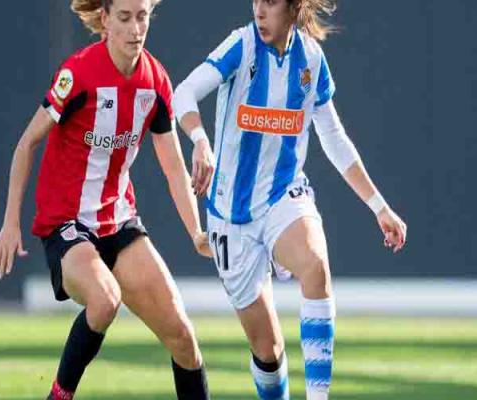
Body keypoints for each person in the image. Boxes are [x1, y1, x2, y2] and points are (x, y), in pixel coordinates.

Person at [172, 0, 408, 398]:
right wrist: (199, 141)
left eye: (272, 2)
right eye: (256, 1)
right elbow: (184, 93)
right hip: (231, 215)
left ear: (294, 7)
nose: (260, 10)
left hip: (283, 195)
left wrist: (379, 206)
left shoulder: (311, 59)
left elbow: (333, 137)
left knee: (316, 265)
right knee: (268, 349)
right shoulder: (241, 46)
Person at [0, 0, 215, 398]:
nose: (134, 29)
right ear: (105, 19)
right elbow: (26, 144)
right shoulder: (78, 73)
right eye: (124, 17)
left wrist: (196, 231)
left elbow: (174, 167)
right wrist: (10, 222)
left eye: (142, 16)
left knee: (183, 339)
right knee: (105, 299)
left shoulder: (156, 82)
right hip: (66, 225)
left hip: (120, 223)